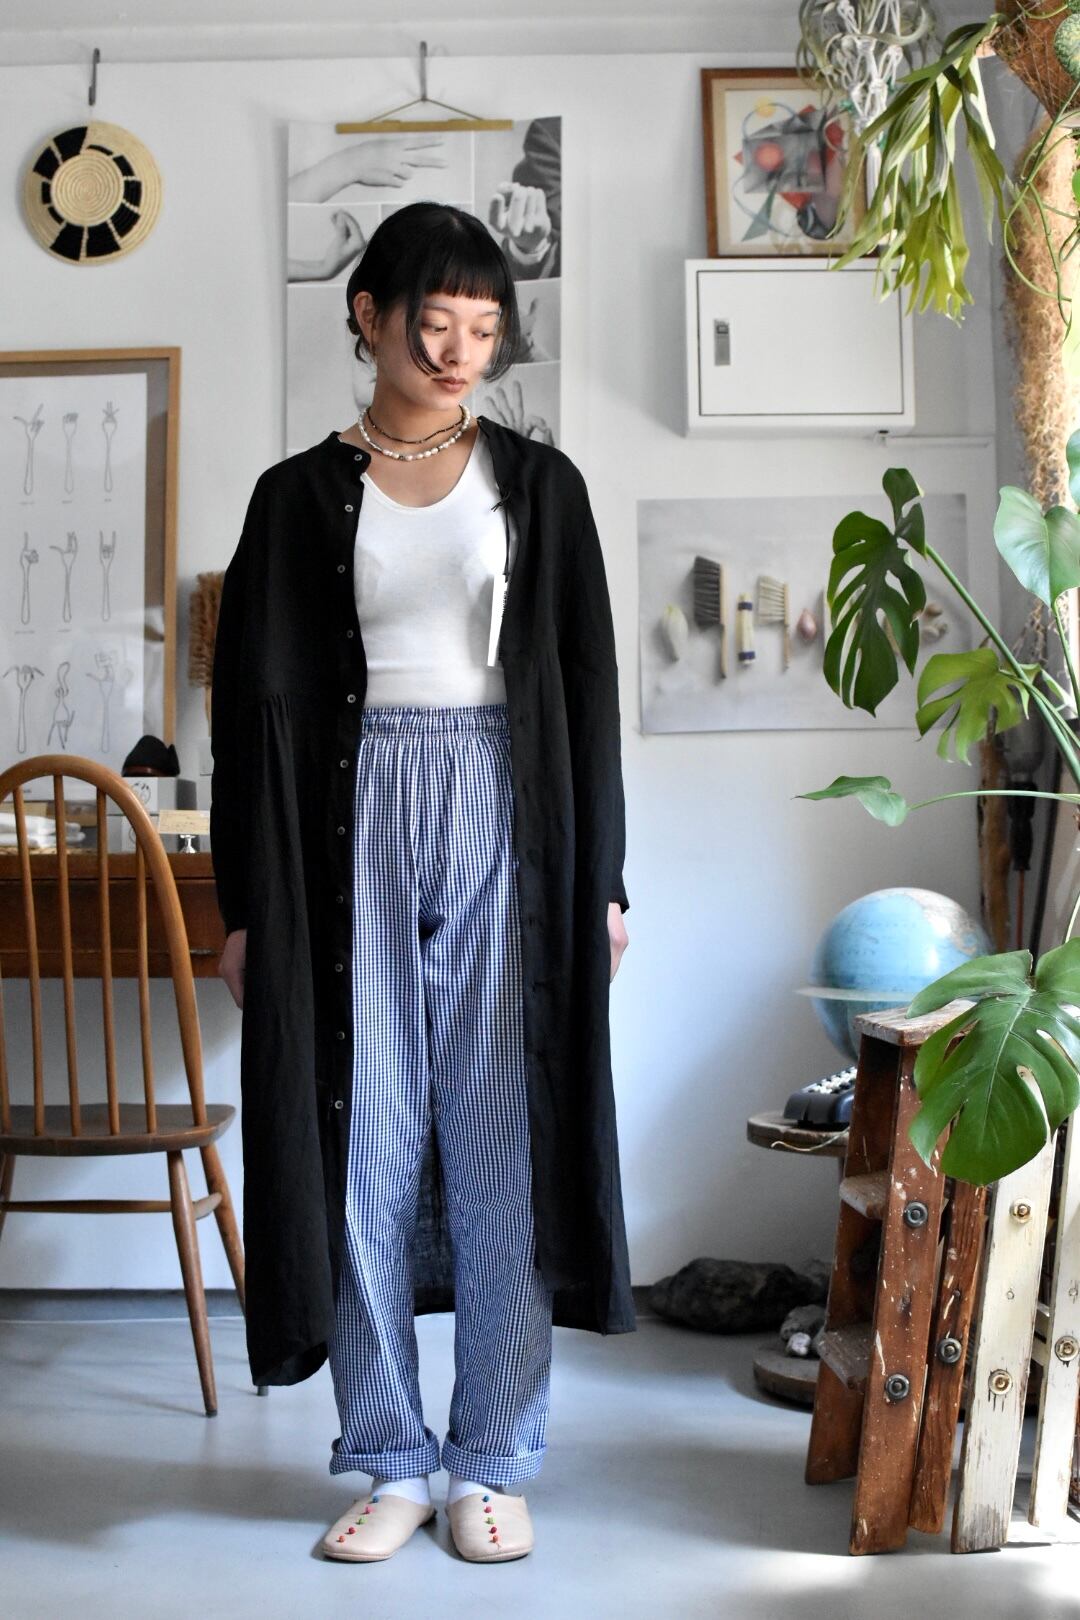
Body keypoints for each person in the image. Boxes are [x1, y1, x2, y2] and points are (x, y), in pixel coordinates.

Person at [209, 200, 634, 1567]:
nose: (458, 353)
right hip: (348, 822)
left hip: (506, 812)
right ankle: (389, 1454)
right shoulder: (292, 499)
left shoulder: (540, 487)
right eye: (434, 324)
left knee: (503, 1137)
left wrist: (603, 881)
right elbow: (247, 714)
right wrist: (241, 906)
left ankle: (492, 1458)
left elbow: (585, 693)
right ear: (370, 318)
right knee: (364, 1142)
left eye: (482, 330)